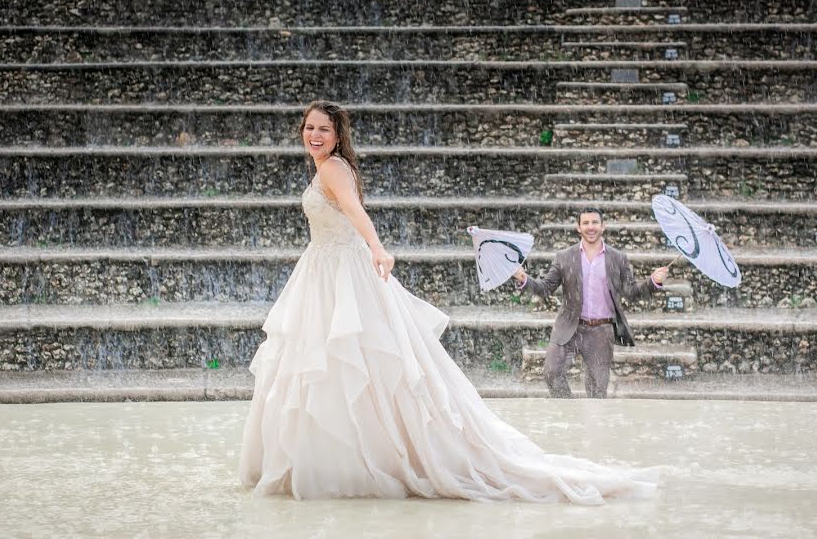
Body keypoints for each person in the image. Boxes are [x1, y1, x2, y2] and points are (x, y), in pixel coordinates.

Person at [238, 101, 658, 504]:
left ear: (336, 135)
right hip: (324, 272)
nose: (315, 134)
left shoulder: (332, 168)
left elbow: (353, 210)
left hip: (341, 273)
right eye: (310, 127)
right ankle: (348, 459)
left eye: (323, 129)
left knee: (345, 362)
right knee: (342, 364)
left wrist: (378, 248)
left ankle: (351, 462)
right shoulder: (329, 167)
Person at [513, 209, 669, 398]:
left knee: (597, 391)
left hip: (601, 332)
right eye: (585, 223)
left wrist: (653, 282)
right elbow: (545, 288)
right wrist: (524, 279)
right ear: (578, 227)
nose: (590, 227)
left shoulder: (618, 258)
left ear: (603, 226)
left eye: (595, 222)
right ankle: (570, 414)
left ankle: (592, 425)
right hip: (569, 327)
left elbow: (632, 292)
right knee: (551, 373)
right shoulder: (564, 257)